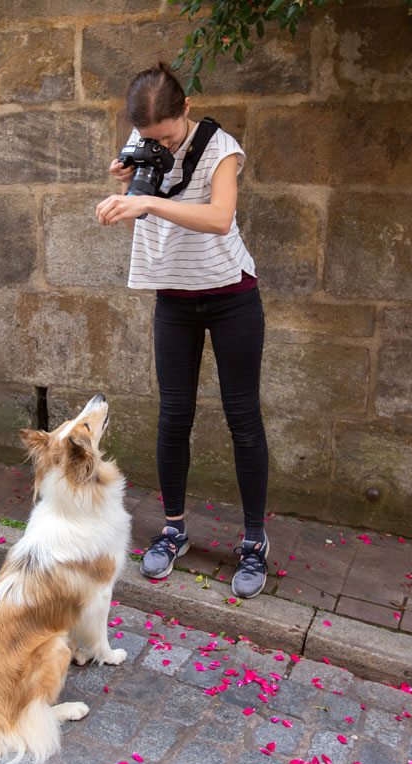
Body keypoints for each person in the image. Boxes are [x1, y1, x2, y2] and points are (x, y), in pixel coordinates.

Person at [95, 62, 270, 599]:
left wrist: (148, 200)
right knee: (173, 416)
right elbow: (145, 184)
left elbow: (219, 217)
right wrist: (130, 176)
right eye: (150, 138)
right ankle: (173, 530)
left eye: (167, 136)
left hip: (230, 297)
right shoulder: (144, 137)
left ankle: (255, 543)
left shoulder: (223, 149)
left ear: (186, 110)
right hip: (174, 297)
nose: (159, 145)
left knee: (243, 418)